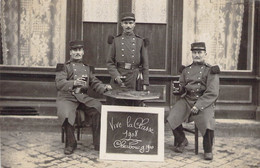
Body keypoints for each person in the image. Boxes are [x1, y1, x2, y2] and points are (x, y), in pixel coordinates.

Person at [55, 40, 112, 155]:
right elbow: (60, 83)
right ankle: (71, 143)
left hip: (82, 97)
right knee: (66, 113)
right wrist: (74, 82)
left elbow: (95, 83)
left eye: (79, 50)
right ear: (70, 52)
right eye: (75, 50)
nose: (77, 52)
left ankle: (98, 143)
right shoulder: (64, 67)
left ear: (83, 52)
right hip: (67, 97)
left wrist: (104, 87)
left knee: (98, 108)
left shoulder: (87, 68)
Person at [167, 42, 220, 160]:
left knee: (207, 121)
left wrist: (199, 105)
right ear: (192, 54)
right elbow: (181, 85)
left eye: (199, 52)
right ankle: (181, 140)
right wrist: (178, 89)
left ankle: (207, 149)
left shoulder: (211, 70)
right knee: (172, 116)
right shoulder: (186, 70)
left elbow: (212, 92)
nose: (197, 55)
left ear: (205, 54)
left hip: (204, 101)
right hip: (187, 99)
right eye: (194, 52)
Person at [106, 12, 149, 106]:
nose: (128, 26)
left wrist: (145, 82)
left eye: (130, 23)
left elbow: (145, 64)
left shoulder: (140, 41)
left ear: (134, 24)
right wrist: (116, 76)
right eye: (125, 23)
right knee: (118, 104)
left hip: (134, 78)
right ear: (121, 24)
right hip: (119, 77)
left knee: (134, 104)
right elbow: (110, 62)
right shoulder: (116, 40)